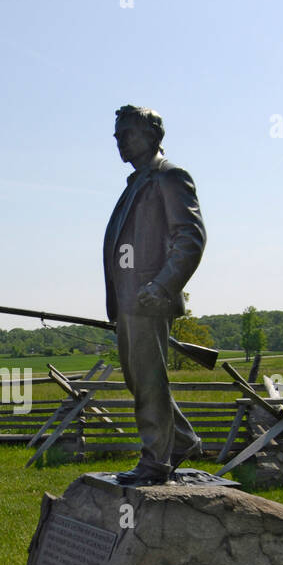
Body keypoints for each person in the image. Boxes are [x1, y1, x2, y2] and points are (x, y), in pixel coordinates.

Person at [103, 105, 208, 486]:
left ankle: (155, 461)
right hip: (131, 299)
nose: (120, 142)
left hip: (150, 298)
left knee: (148, 380)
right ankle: (180, 441)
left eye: (127, 133)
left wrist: (162, 285)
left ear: (152, 134)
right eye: (117, 136)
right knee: (140, 379)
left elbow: (190, 238)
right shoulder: (136, 183)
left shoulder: (169, 177)